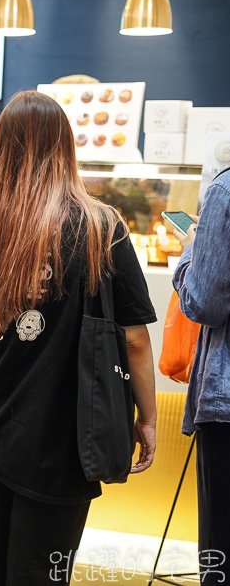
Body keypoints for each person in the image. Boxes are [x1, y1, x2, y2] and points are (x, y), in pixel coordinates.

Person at [0, 91, 157, 586]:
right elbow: (133, 339)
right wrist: (147, 417)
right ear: (66, 147)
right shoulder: (100, 226)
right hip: (67, 432)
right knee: (41, 570)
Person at [172, 168, 230, 586]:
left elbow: (203, 302)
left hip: (228, 405)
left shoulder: (225, 189)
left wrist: (192, 251)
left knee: (221, 555)